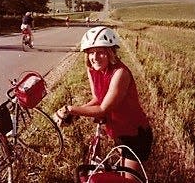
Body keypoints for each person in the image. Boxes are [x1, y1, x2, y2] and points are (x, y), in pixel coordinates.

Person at [54, 26, 153, 181]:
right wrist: (72, 114)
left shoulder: (120, 73)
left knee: (129, 180)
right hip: (118, 132)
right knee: (121, 171)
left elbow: (103, 108)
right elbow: (97, 98)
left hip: (136, 135)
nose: (95, 57)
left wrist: (71, 109)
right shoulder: (93, 69)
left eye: (100, 51)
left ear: (110, 52)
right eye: (91, 52)